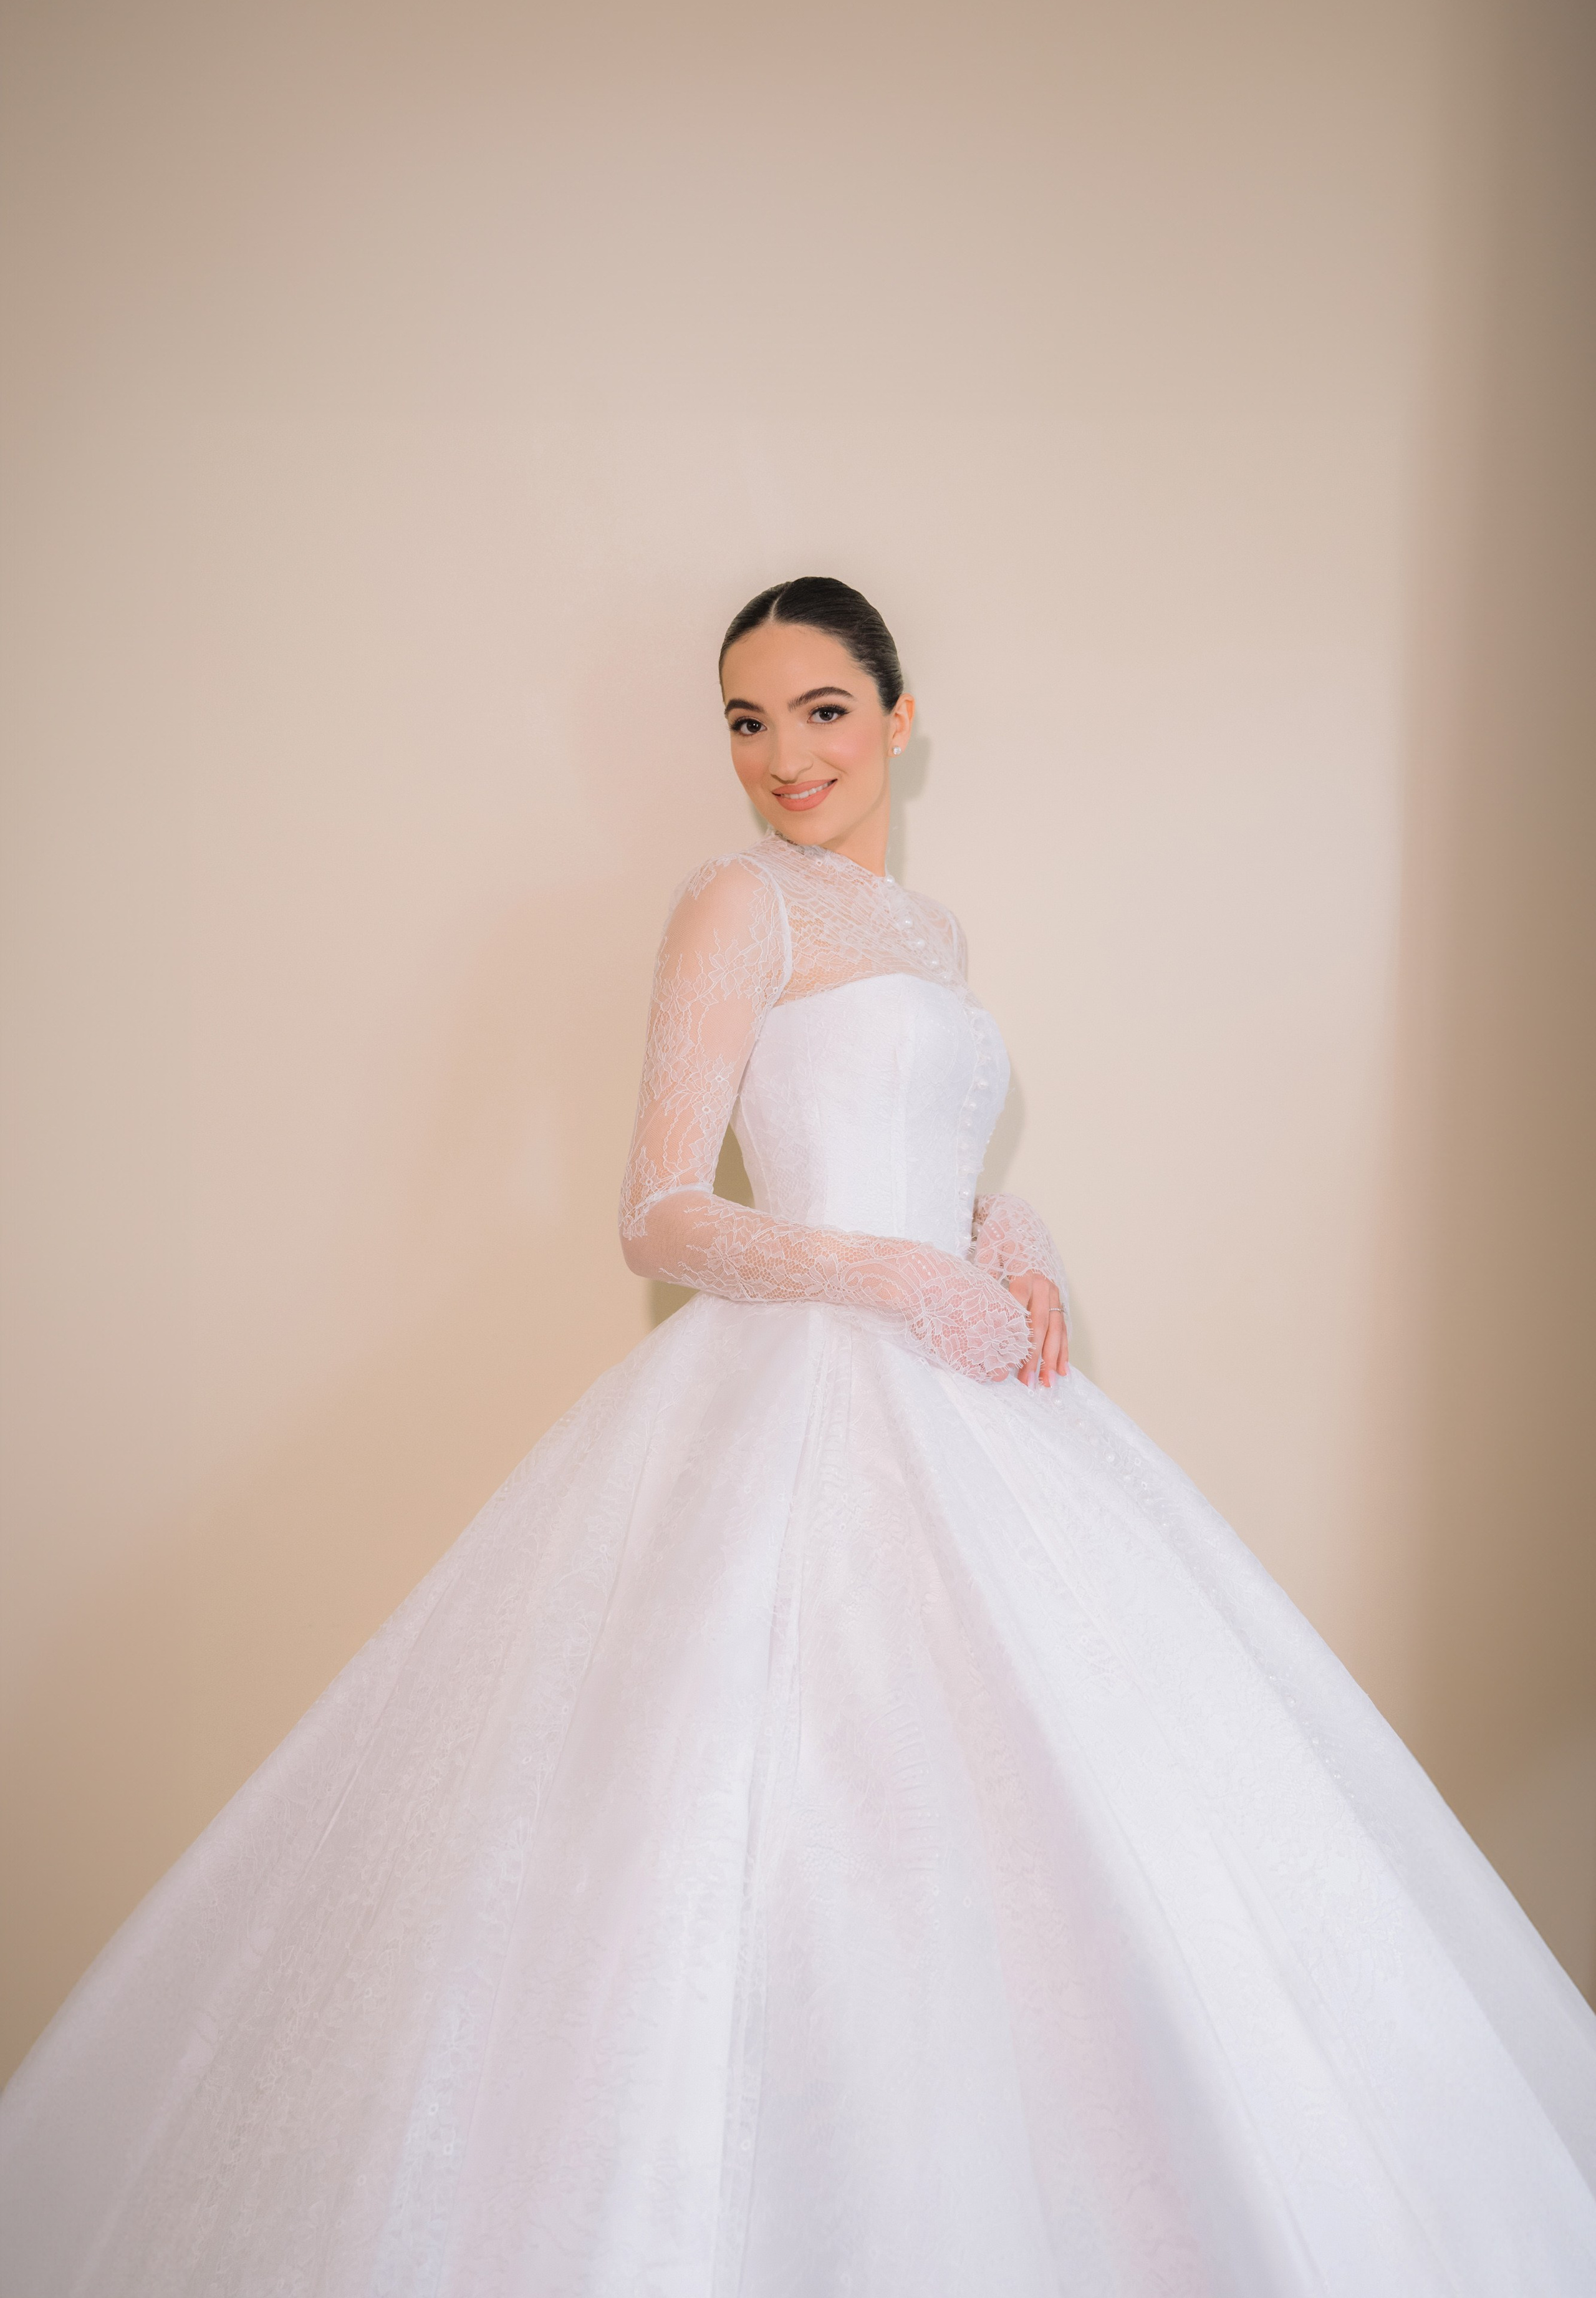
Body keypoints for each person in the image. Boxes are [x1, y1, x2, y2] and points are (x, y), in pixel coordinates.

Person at [2, 577, 1594, 2296]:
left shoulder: (932, 933)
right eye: (749, 721)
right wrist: (894, 1271)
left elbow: (919, 1139)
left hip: (965, 1392)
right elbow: (660, 1213)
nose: (786, 755)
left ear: (899, 719)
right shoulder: (730, 904)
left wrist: (1006, 1231)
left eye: (824, 709)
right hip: (801, 1400)